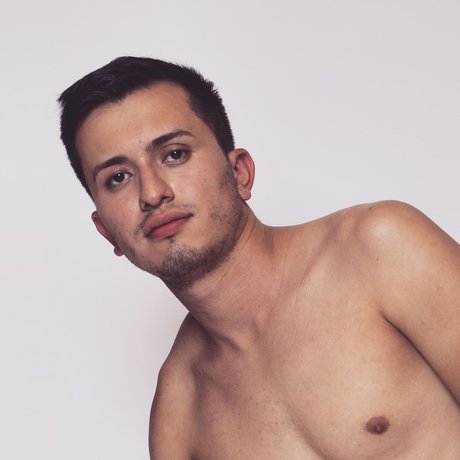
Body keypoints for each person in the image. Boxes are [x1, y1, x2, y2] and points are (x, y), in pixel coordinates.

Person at [58, 56, 460, 459]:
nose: (152, 192)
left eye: (175, 154)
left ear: (240, 173)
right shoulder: (178, 416)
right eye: (118, 178)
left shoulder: (379, 249)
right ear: (106, 230)